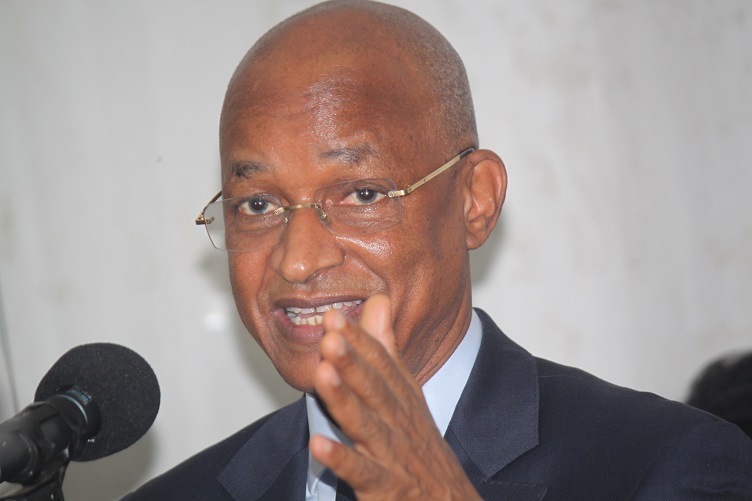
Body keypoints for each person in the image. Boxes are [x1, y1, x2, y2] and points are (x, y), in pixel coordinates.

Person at [126, 1, 752, 499]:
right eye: (258, 205)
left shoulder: (669, 466)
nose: (298, 260)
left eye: (362, 193)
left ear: (474, 200)